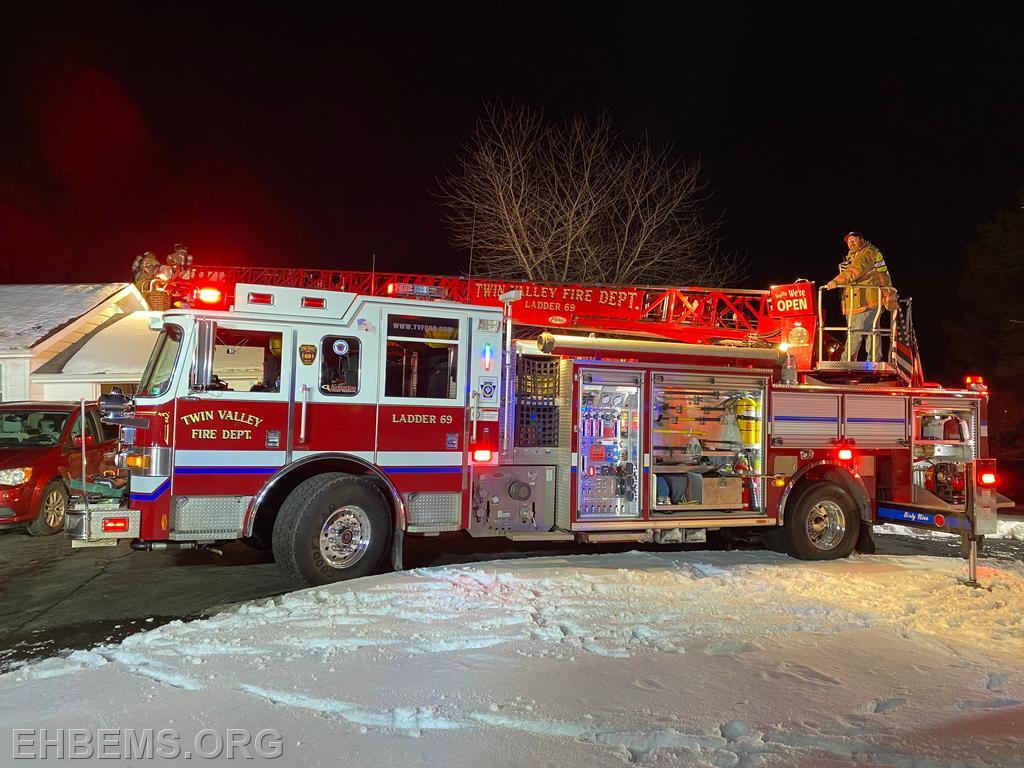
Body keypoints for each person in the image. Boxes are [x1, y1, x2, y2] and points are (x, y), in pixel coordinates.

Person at [825, 231, 897, 362]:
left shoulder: (867, 252)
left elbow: (855, 271)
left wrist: (836, 281)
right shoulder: (855, 256)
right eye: (849, 241)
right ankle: (874, 360)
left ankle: (845, 361)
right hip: (863, 300)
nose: (851, 243)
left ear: (862, 240)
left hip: (866, 300)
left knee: (856, 331)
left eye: (854, 240)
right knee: (872, 331)